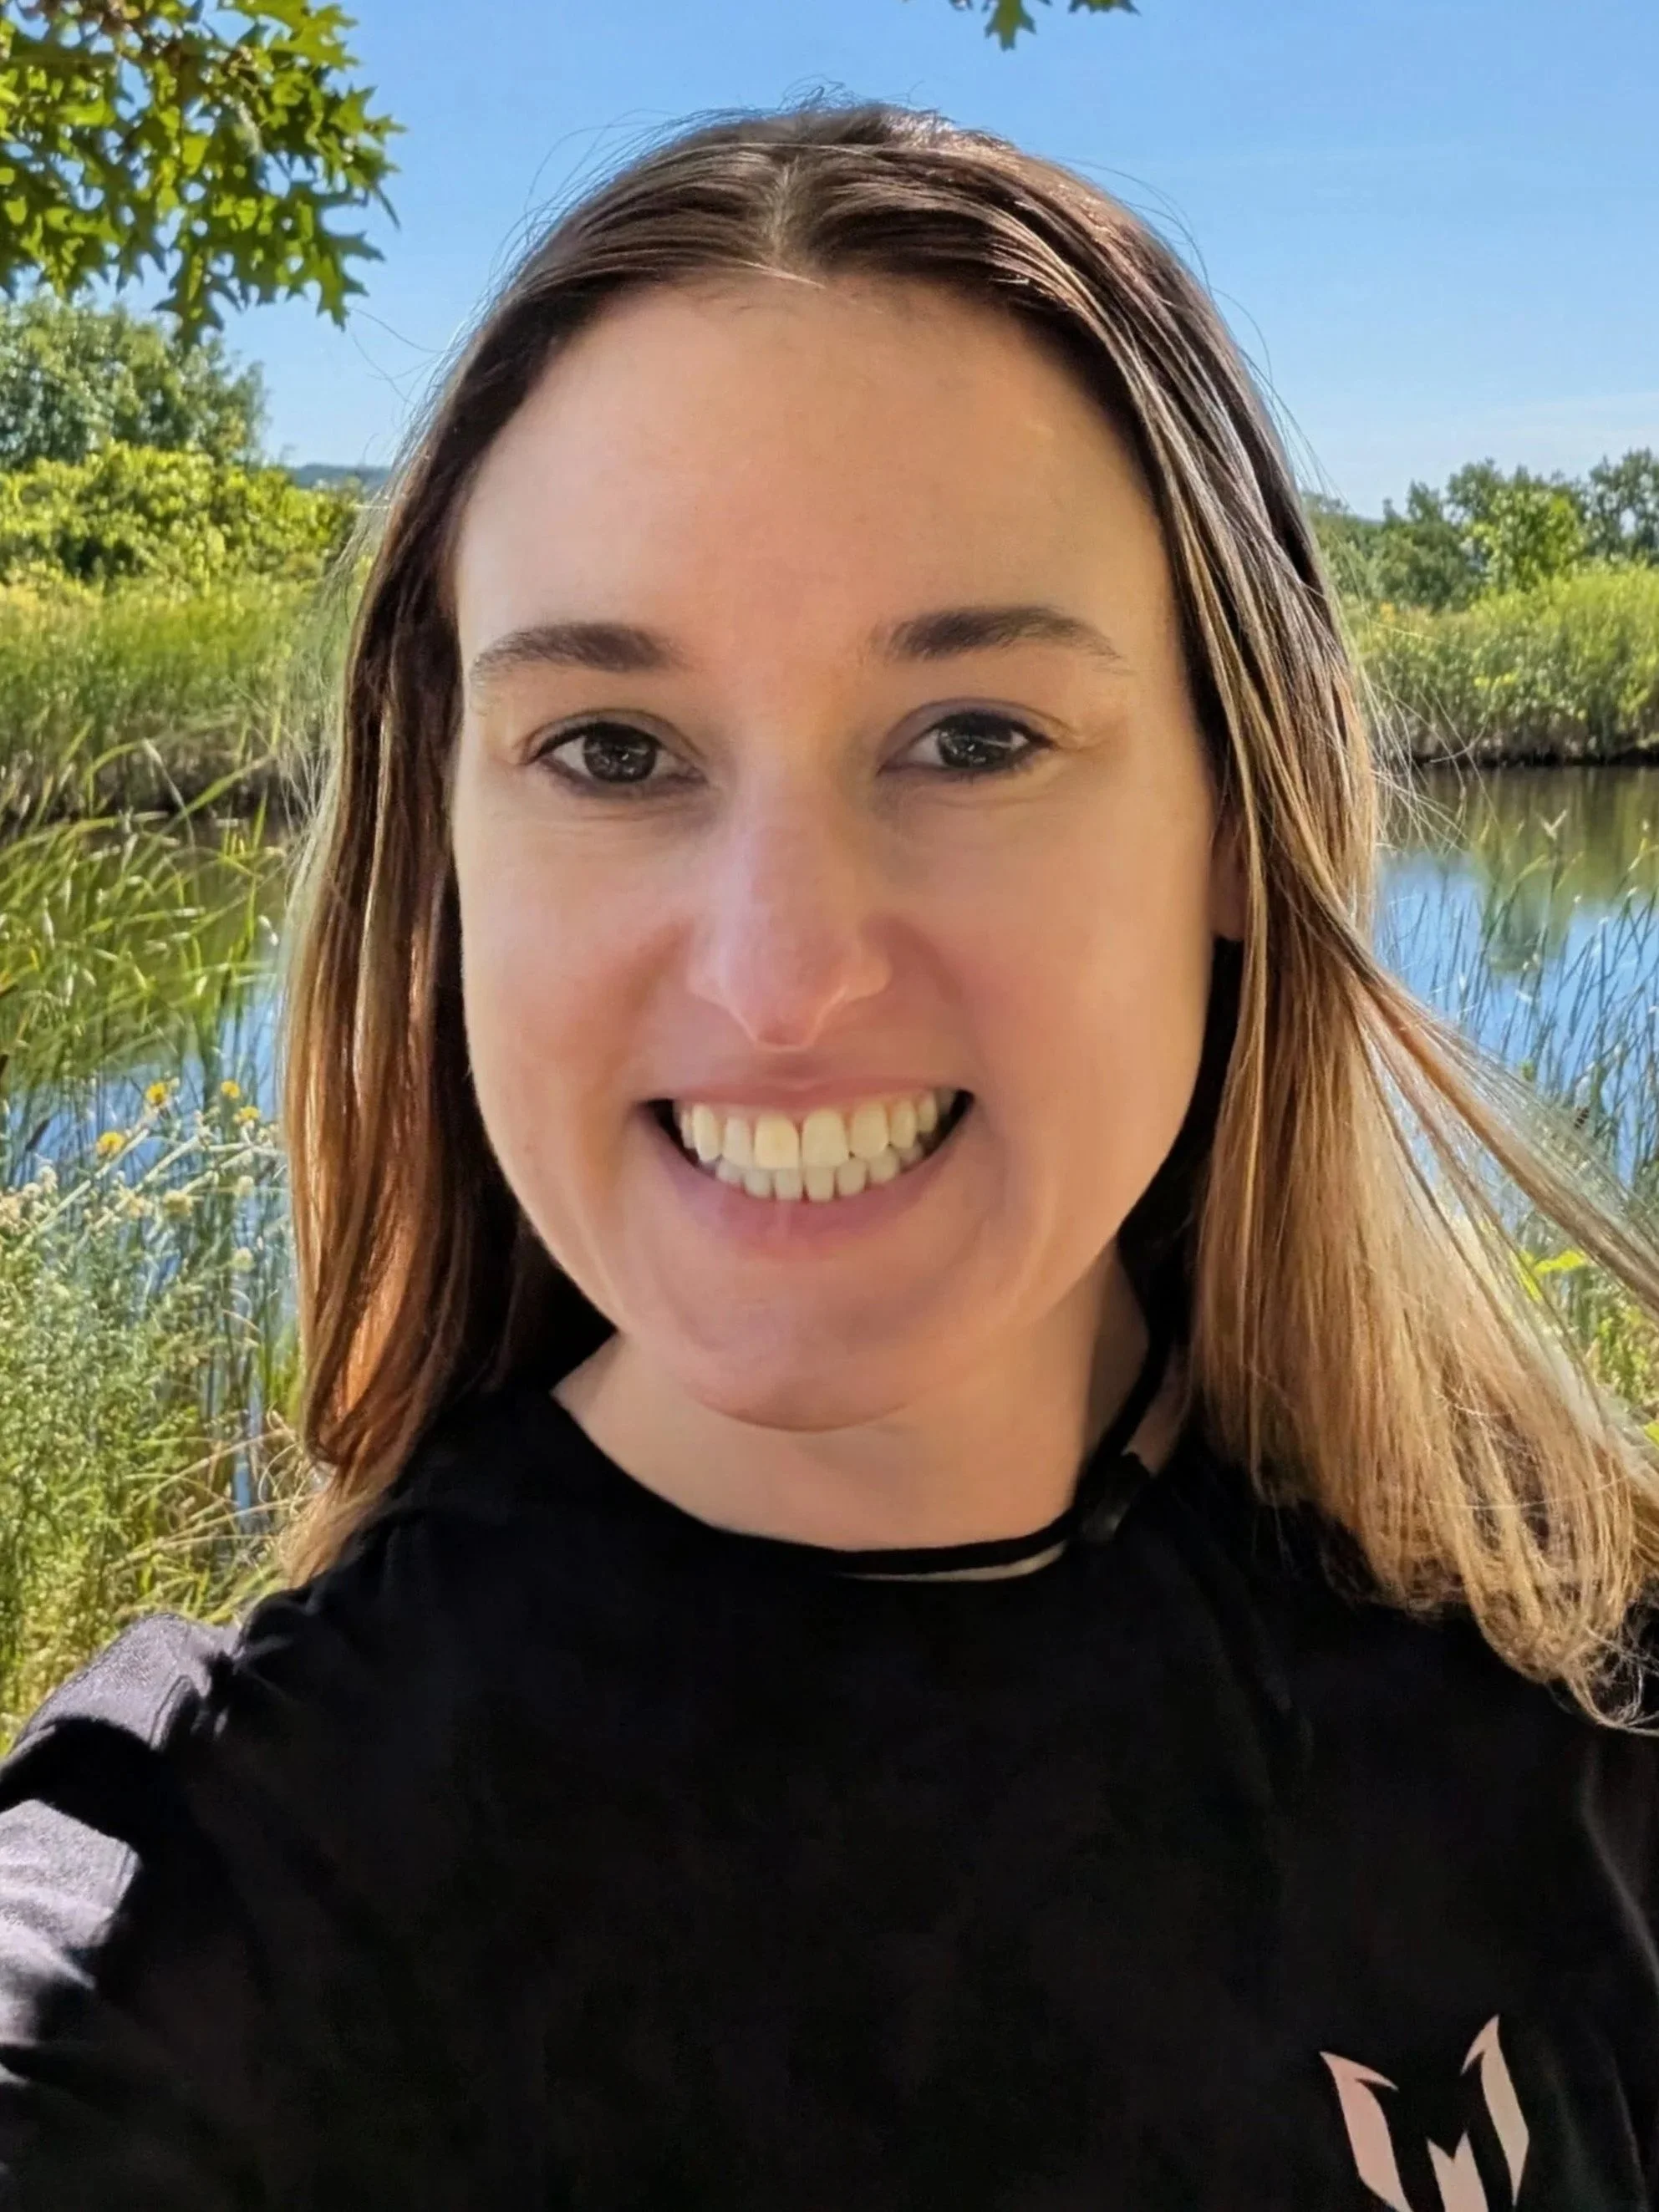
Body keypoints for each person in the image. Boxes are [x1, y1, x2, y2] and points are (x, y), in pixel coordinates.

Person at [0, 95, 1656, 2211]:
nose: (781, 978)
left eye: (972, 738)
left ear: (1237, 821)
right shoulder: (206, 1923)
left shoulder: (1560, 1669)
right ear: (443, 855)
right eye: (609, 750)